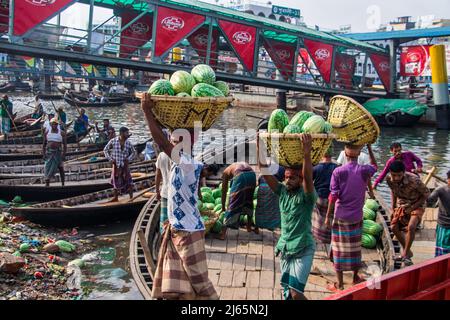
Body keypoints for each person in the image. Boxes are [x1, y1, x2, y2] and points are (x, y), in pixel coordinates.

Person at [144, 101, 219, 300]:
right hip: (177, 228)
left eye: (177, 141)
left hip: (188, 231)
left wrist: (146, 111)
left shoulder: (187, 163)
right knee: (179, 287)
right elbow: (163, 142)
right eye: (173, 140)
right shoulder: (180, 162)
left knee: (201, 286)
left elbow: (161, 142)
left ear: (186, 144)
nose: (172, 144)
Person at [259, 134, 317, 300]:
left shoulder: (307, 197)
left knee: (295, 293)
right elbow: (264, 171)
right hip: (285, 248)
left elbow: (308, 178)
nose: (288, 181)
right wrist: (259, 148)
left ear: (300, 179)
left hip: (303, 248)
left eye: (292, 178)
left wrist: (306, 154)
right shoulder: (282, 191)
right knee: (287, 295)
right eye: (286, 177)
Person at [326, 144, 377, 291]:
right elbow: (374, 165)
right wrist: (369, 147)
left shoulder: (338, 171)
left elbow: (333, 195)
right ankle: (355, 277)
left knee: (338, 249)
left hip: (341, 216)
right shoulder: (364, 170)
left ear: (345, 154)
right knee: (355, 248)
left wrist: (328, 215)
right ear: (359, 154)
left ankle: (340, 283)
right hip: (356, 216)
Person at [387, 161, 429, 266]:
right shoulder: (389, 179)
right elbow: (393, 191)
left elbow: (426, 194)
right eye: (393, 175)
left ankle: (405, 253)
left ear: (404, 172)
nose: (396, 178)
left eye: (399, 175)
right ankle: (408, 250)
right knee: (393, 227)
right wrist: (393, 207)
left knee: (411, 226)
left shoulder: (414, 180)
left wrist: (413, 207)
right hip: (402, 203)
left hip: (417, 203)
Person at [218, 162, 257, 240]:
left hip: (240, 175)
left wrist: (223, 207)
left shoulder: (225, 173)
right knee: (248, 200)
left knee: (233, 203)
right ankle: (249, 227)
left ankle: (222, 234)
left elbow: (224, 192)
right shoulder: (233, 166)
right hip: (252, 175)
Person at [312, 147, 338, 245]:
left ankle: (317, 238)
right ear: (331, 155)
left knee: (317, 220)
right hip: (333, 199)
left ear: (321, 154)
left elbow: (309, 181)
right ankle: (329, 240)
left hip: (319, 197)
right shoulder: (337, 168)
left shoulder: (316, 168)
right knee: (331, 219)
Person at [103, 127, 136, 202]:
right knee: (115, 182)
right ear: (121, 133)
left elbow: (134, 152)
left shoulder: (128, 143)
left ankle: (131, 198)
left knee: (129, 182)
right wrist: (111, 160)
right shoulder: (113, 141)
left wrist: (128, 159)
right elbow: (105, 150)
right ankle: (116, 198)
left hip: (124, 165)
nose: (128, 134)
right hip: (116, 165)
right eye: (126, 133)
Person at [254, 166, 285, 230]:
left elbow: (259, 181)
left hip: (262, 189)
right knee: (275, 208)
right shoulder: (281, 169)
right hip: (272, 189)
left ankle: (257, 226)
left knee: (260, 208)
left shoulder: (268, 168)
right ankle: (276, 225)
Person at [428, 170, 450, 257]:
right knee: (443, 248)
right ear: (448, 180)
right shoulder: (441, 190)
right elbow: (429, 200)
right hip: (444, 225)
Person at [43, 117, 67, 187]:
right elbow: (44, 144)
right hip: (49, 153)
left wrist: (64, 154)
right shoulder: (47, 132)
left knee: (60, 168)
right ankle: (47, 183)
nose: (54, 125)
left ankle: (63, 183)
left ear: (57, 125)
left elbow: (65, 145)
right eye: (53, 124)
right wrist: (43, 153)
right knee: (47, 167)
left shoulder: (62, 133)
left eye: (56, 124)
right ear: (50, 125)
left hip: (58, 153)